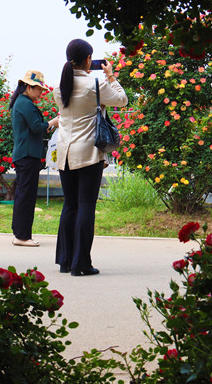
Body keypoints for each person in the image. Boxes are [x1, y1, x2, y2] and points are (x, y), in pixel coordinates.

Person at [53, 39, 127, 276]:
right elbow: (122, 100)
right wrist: (111, 77)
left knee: (70, 205)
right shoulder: (94, 83)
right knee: (86, 205)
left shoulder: (58, 86)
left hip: (64, 153)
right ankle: (81, 264)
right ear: (88, 60)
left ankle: (65, 261)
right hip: (88, 153)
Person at [9, 69, 60, 247]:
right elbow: (38, 127)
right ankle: (22, 236)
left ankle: (19, 233)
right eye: (38, 89)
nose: (40, 92)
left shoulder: (22, 102)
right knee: (26, 195)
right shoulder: (25, 104)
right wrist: (53, 122)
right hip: (27, 155)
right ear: (29, 87)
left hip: (25, 154)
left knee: (23, 194)